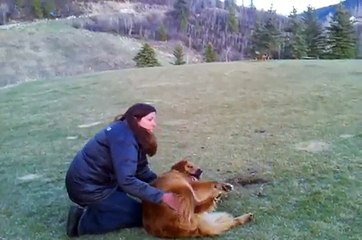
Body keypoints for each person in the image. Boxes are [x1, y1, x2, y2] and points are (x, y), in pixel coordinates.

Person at [65, 103, 181, 237]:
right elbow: (126, 180)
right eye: (150, 120)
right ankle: (81, 222)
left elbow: (140, 170)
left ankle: (103, 207)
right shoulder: (124, 139)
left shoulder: (132, 131)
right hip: (87, 188)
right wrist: (162, 197)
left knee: (142, 205)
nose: (154, 124)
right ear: (136, 119)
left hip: (102, 182)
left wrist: (162, 185)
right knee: (141, 216)